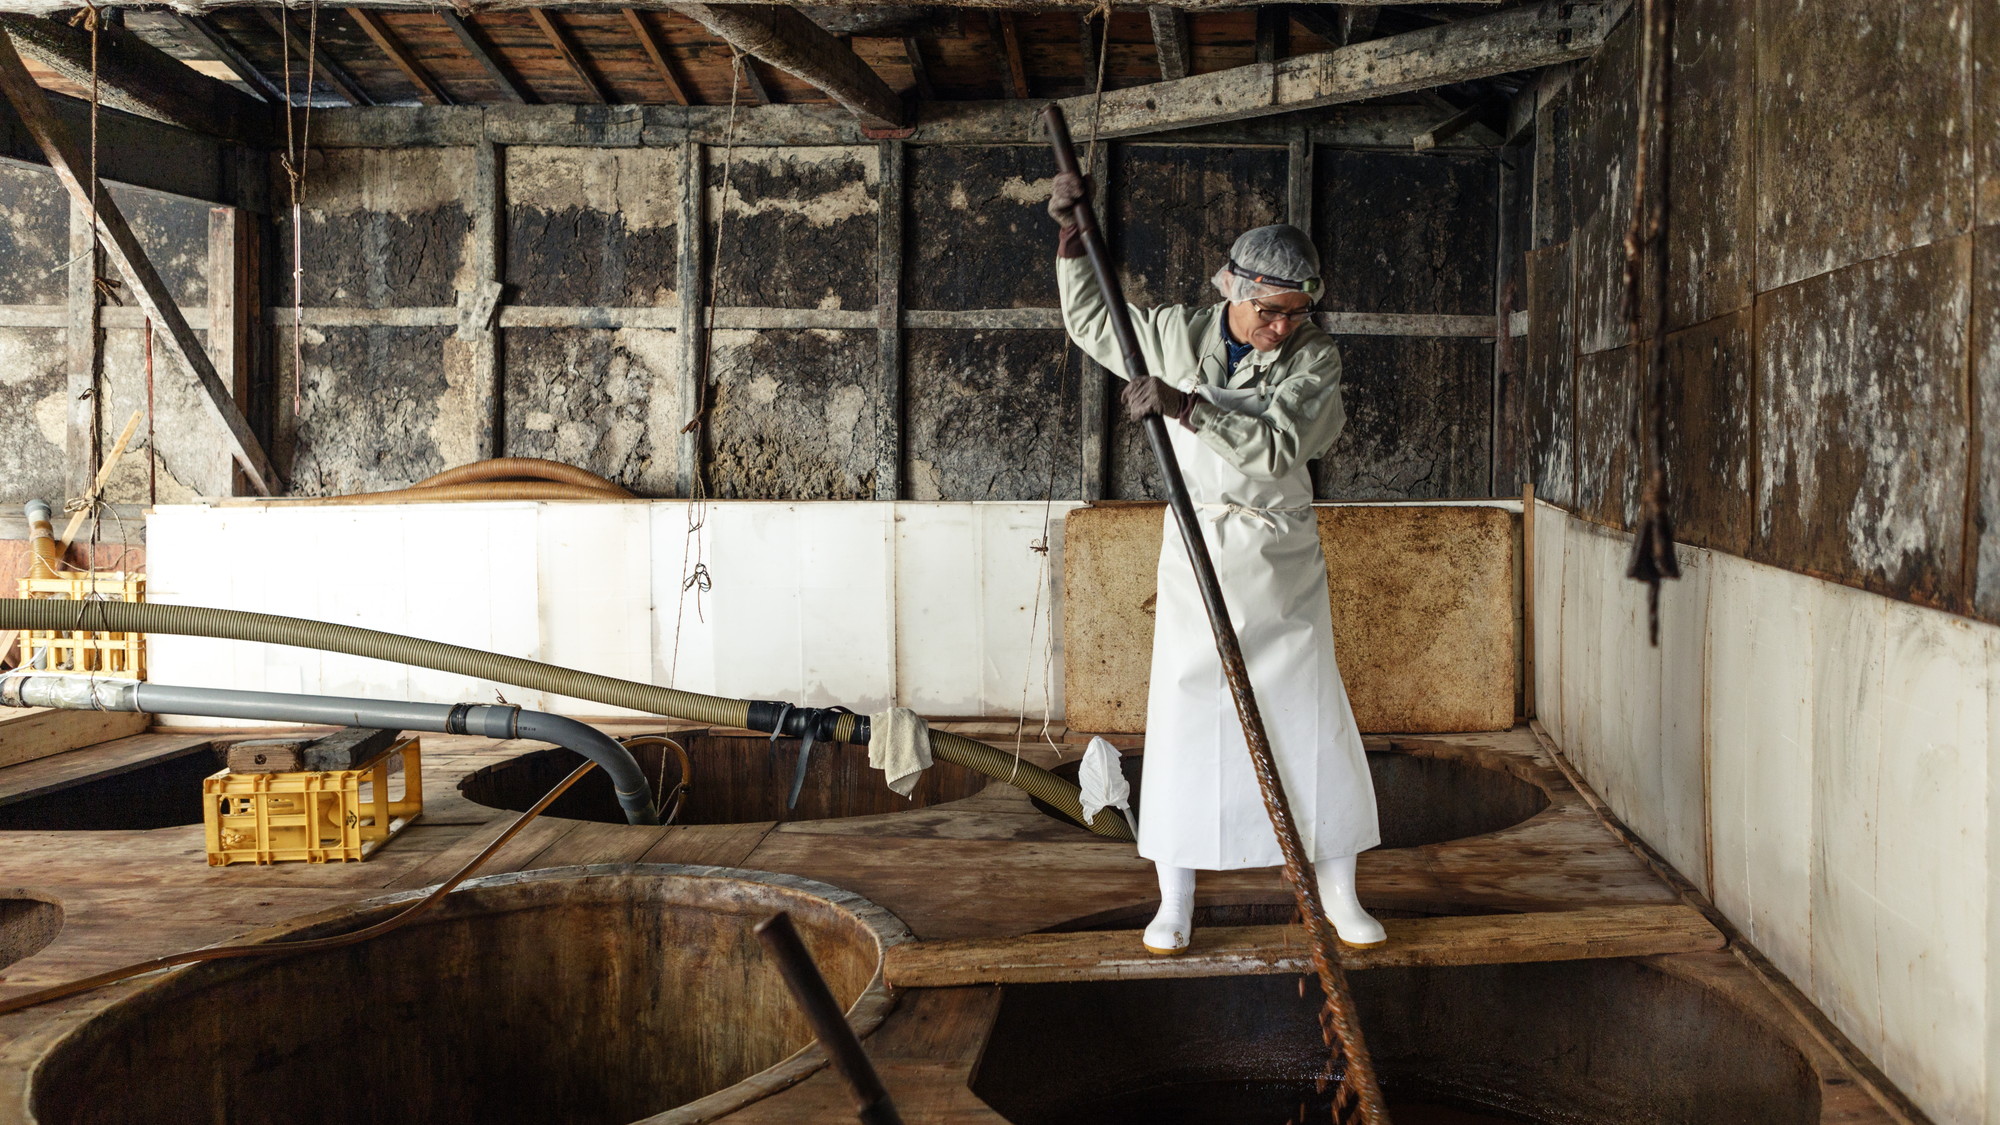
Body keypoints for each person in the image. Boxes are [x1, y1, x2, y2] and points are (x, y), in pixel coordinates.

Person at [1047, 172, 1383, 954]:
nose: (1279, 328)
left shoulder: (1315, 360)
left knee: (1309, 719)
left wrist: (1187, 408)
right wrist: (1070, 238)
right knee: (1188, 718)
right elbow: (1097, 322)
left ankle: (1337, 890)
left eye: (1295, 314)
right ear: (1232, 287)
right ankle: (1175, 899)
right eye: (1268, 311)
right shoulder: (1175, 333)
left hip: (1277, 556)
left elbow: (1278, 448)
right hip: (1196, 553)